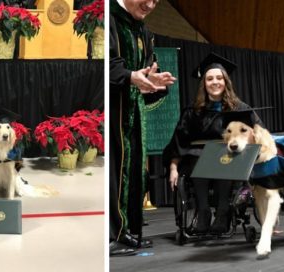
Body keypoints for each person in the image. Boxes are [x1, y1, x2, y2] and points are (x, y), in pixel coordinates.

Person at [163, 52, 263, 234]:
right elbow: (178, 141)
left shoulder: (240, 109)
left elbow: (259, 134)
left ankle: (223, 212)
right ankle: (203, 212)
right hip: (197, 161)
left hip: (230, 161)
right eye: (210, 79)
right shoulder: (193, 112)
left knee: (223, 156)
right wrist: (173, 168)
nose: (215, 82)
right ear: (204, 83)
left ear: (226, 82)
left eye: (219, 78)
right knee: (197, 156)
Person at [110, 0, 176, 256]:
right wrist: (129, 76)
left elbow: (145, 73)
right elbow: (108, 64)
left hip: (132, 113)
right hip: (113, 111)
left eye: (156, 1)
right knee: (116, 170)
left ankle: (128, 232)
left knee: (134, 170)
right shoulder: (110, 18)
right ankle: (111, 235)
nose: (150, 5)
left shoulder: (143, 30)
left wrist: (153, 81)